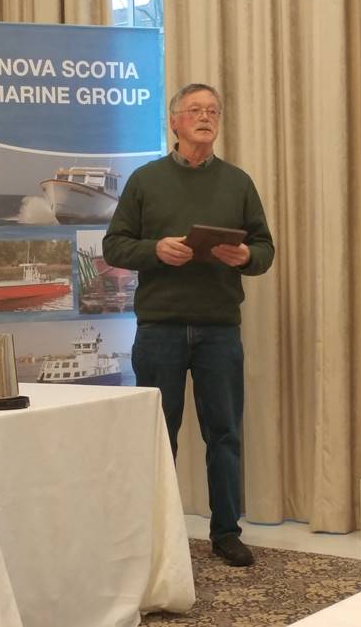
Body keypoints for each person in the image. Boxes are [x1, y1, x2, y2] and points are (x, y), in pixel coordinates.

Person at [102, 83, 274, 567]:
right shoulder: (145, 180)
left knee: (225, 433)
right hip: (160, 329)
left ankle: (226, 533)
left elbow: (265, 250)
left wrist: (244, 256)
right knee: (161, 433)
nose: (205, 117)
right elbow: (115, 246)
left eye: (213, 110)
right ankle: (157, 535)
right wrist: (154, 249)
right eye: (195, 110)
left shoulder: (237, 182)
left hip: (219, 327)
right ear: (174, 122)